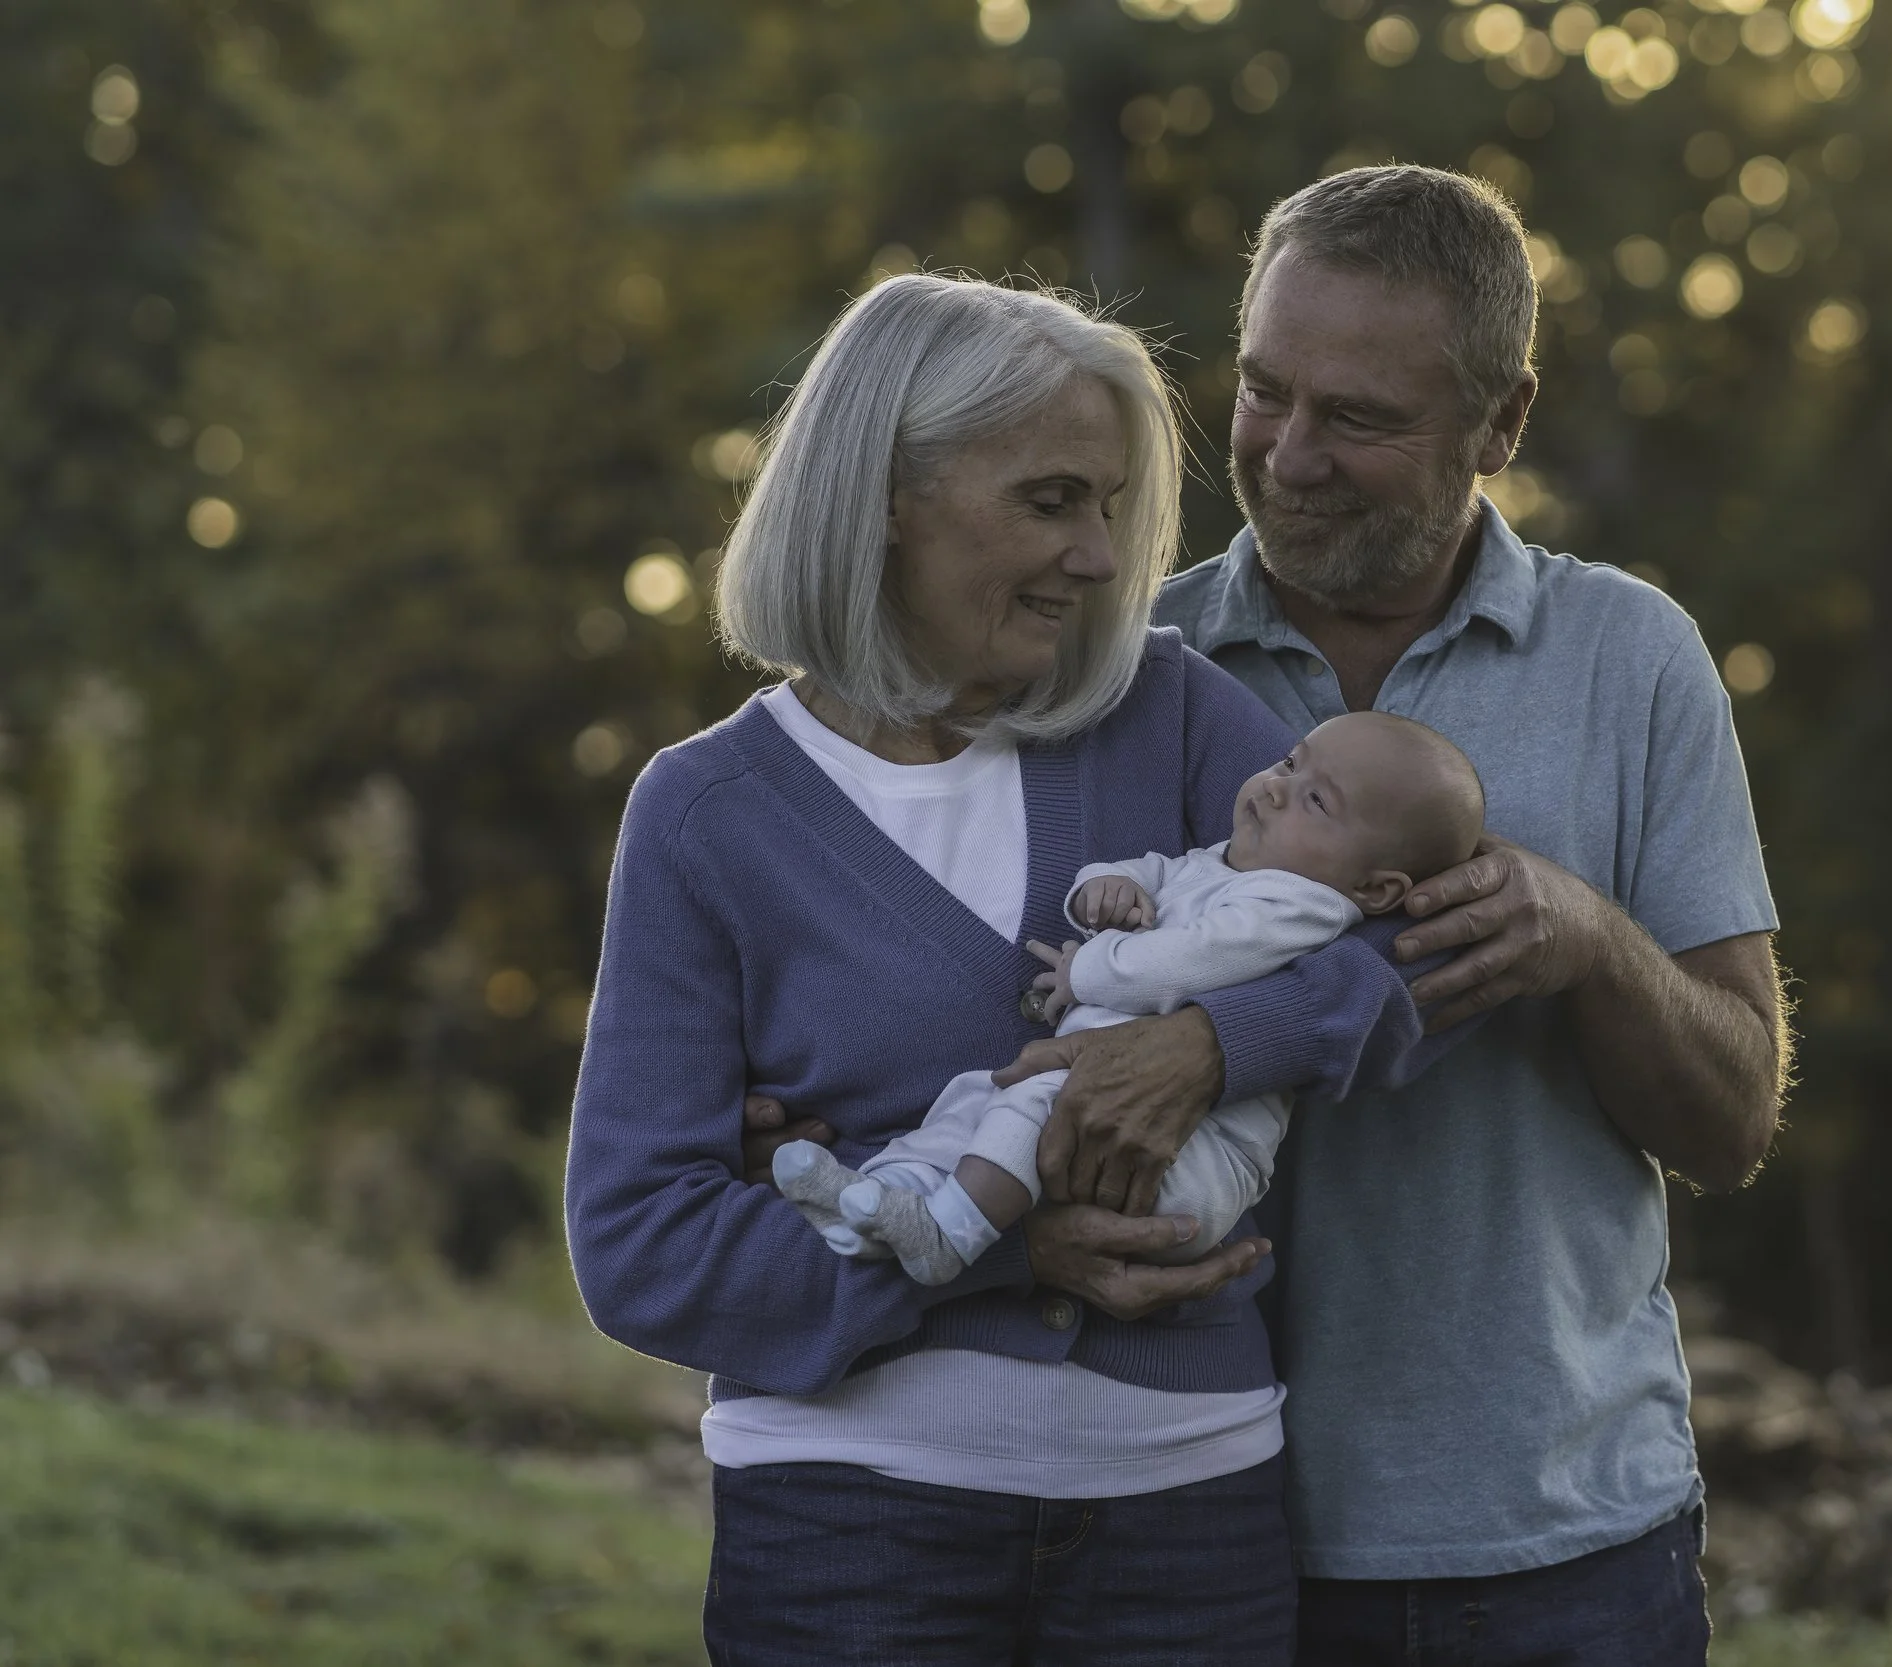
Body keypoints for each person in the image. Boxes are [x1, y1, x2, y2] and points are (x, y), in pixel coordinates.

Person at [565, 272, 1449, 1667]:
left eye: (1108, 504)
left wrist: (1213, 1044)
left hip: (1187, 1511)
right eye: (1051, 501)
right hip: (851, 1527)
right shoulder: (706, 811)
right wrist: (995, 1255)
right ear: (888, 497)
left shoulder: (1166, 717)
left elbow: (1418, 935)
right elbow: (638, 1242)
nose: (1101, 558)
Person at [1009, 166, 1790, 1663]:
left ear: (1501, 423)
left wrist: (1591, 939)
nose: (1288, 454)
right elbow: (993, 1036)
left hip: (1565, 1544)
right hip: (1177, 1529)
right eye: (1262, 389)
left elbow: (1735, 1115)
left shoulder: (1633, 659)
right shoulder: (1118, 659)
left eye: (1358, 418)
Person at [774, 710, 1486, 1281]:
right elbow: (1148, 873)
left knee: (1032, 1098)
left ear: (1375, 888)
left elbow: (1188, 961)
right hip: (1111, 1117)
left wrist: (1089, 968)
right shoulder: (1222, 863)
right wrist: (1107, 888)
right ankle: (880, 1198)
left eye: (1315, 799)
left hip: (1193, 1163)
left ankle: (949, 1236)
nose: (1273, 786)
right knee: (979, 1095)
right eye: (1289, 761)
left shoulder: (1301, 905)